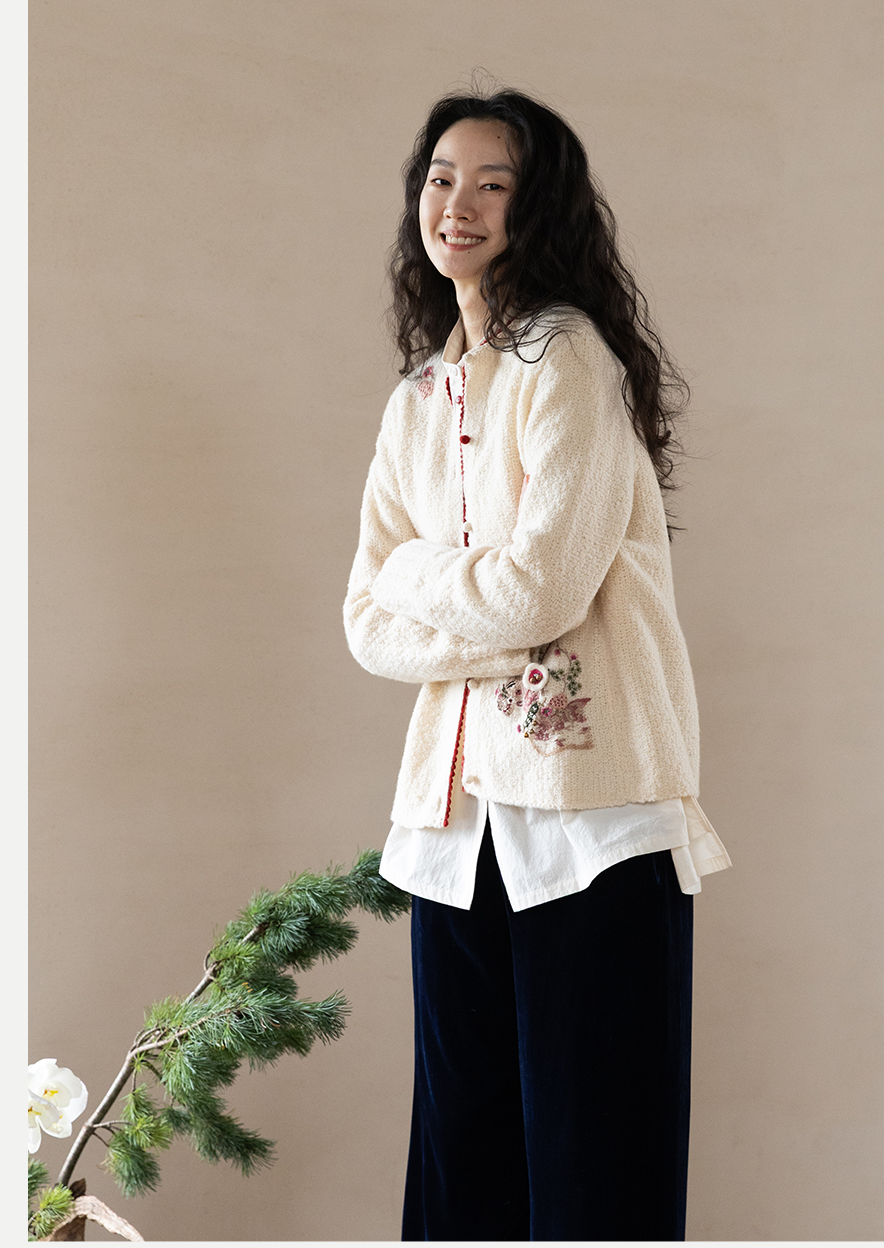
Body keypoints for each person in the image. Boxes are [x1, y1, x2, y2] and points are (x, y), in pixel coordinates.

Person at [343, 88, 731, 1242]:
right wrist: (465, 595)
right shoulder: (418, 398)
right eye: (440, 178)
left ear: (538, 205)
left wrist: (419, 569)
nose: (457, 203)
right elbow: (362, 617)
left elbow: (543, 591)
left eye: (492, 183)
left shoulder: (569, 358)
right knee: (462, 1177)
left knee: (594, 1175)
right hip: (455, 823)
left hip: (588, 810)